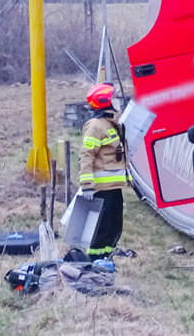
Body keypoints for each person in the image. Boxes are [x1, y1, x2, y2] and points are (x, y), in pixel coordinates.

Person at [79, 83, 127, 260]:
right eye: (114, 98)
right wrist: (87, 186)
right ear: (105, 102)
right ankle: (95, 260)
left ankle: (107, 256)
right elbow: (86, 156)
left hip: (113, 186)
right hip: (102, 188)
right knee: (103, 227)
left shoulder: (109, 123)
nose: (117, 101)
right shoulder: (96, 126)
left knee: (114, 225)